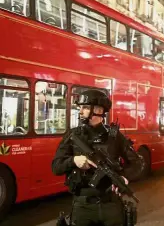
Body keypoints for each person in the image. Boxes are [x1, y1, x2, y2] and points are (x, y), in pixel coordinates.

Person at [52, 89, 144, 226]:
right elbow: (56, 167)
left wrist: (124, 177)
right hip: (83, 206)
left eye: (85, 107)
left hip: (111, 205)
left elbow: (138, 163)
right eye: (80, 107)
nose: (80, 111)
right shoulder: (73, 136)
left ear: (99, 110)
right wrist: (74, 161)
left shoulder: (114, 137)